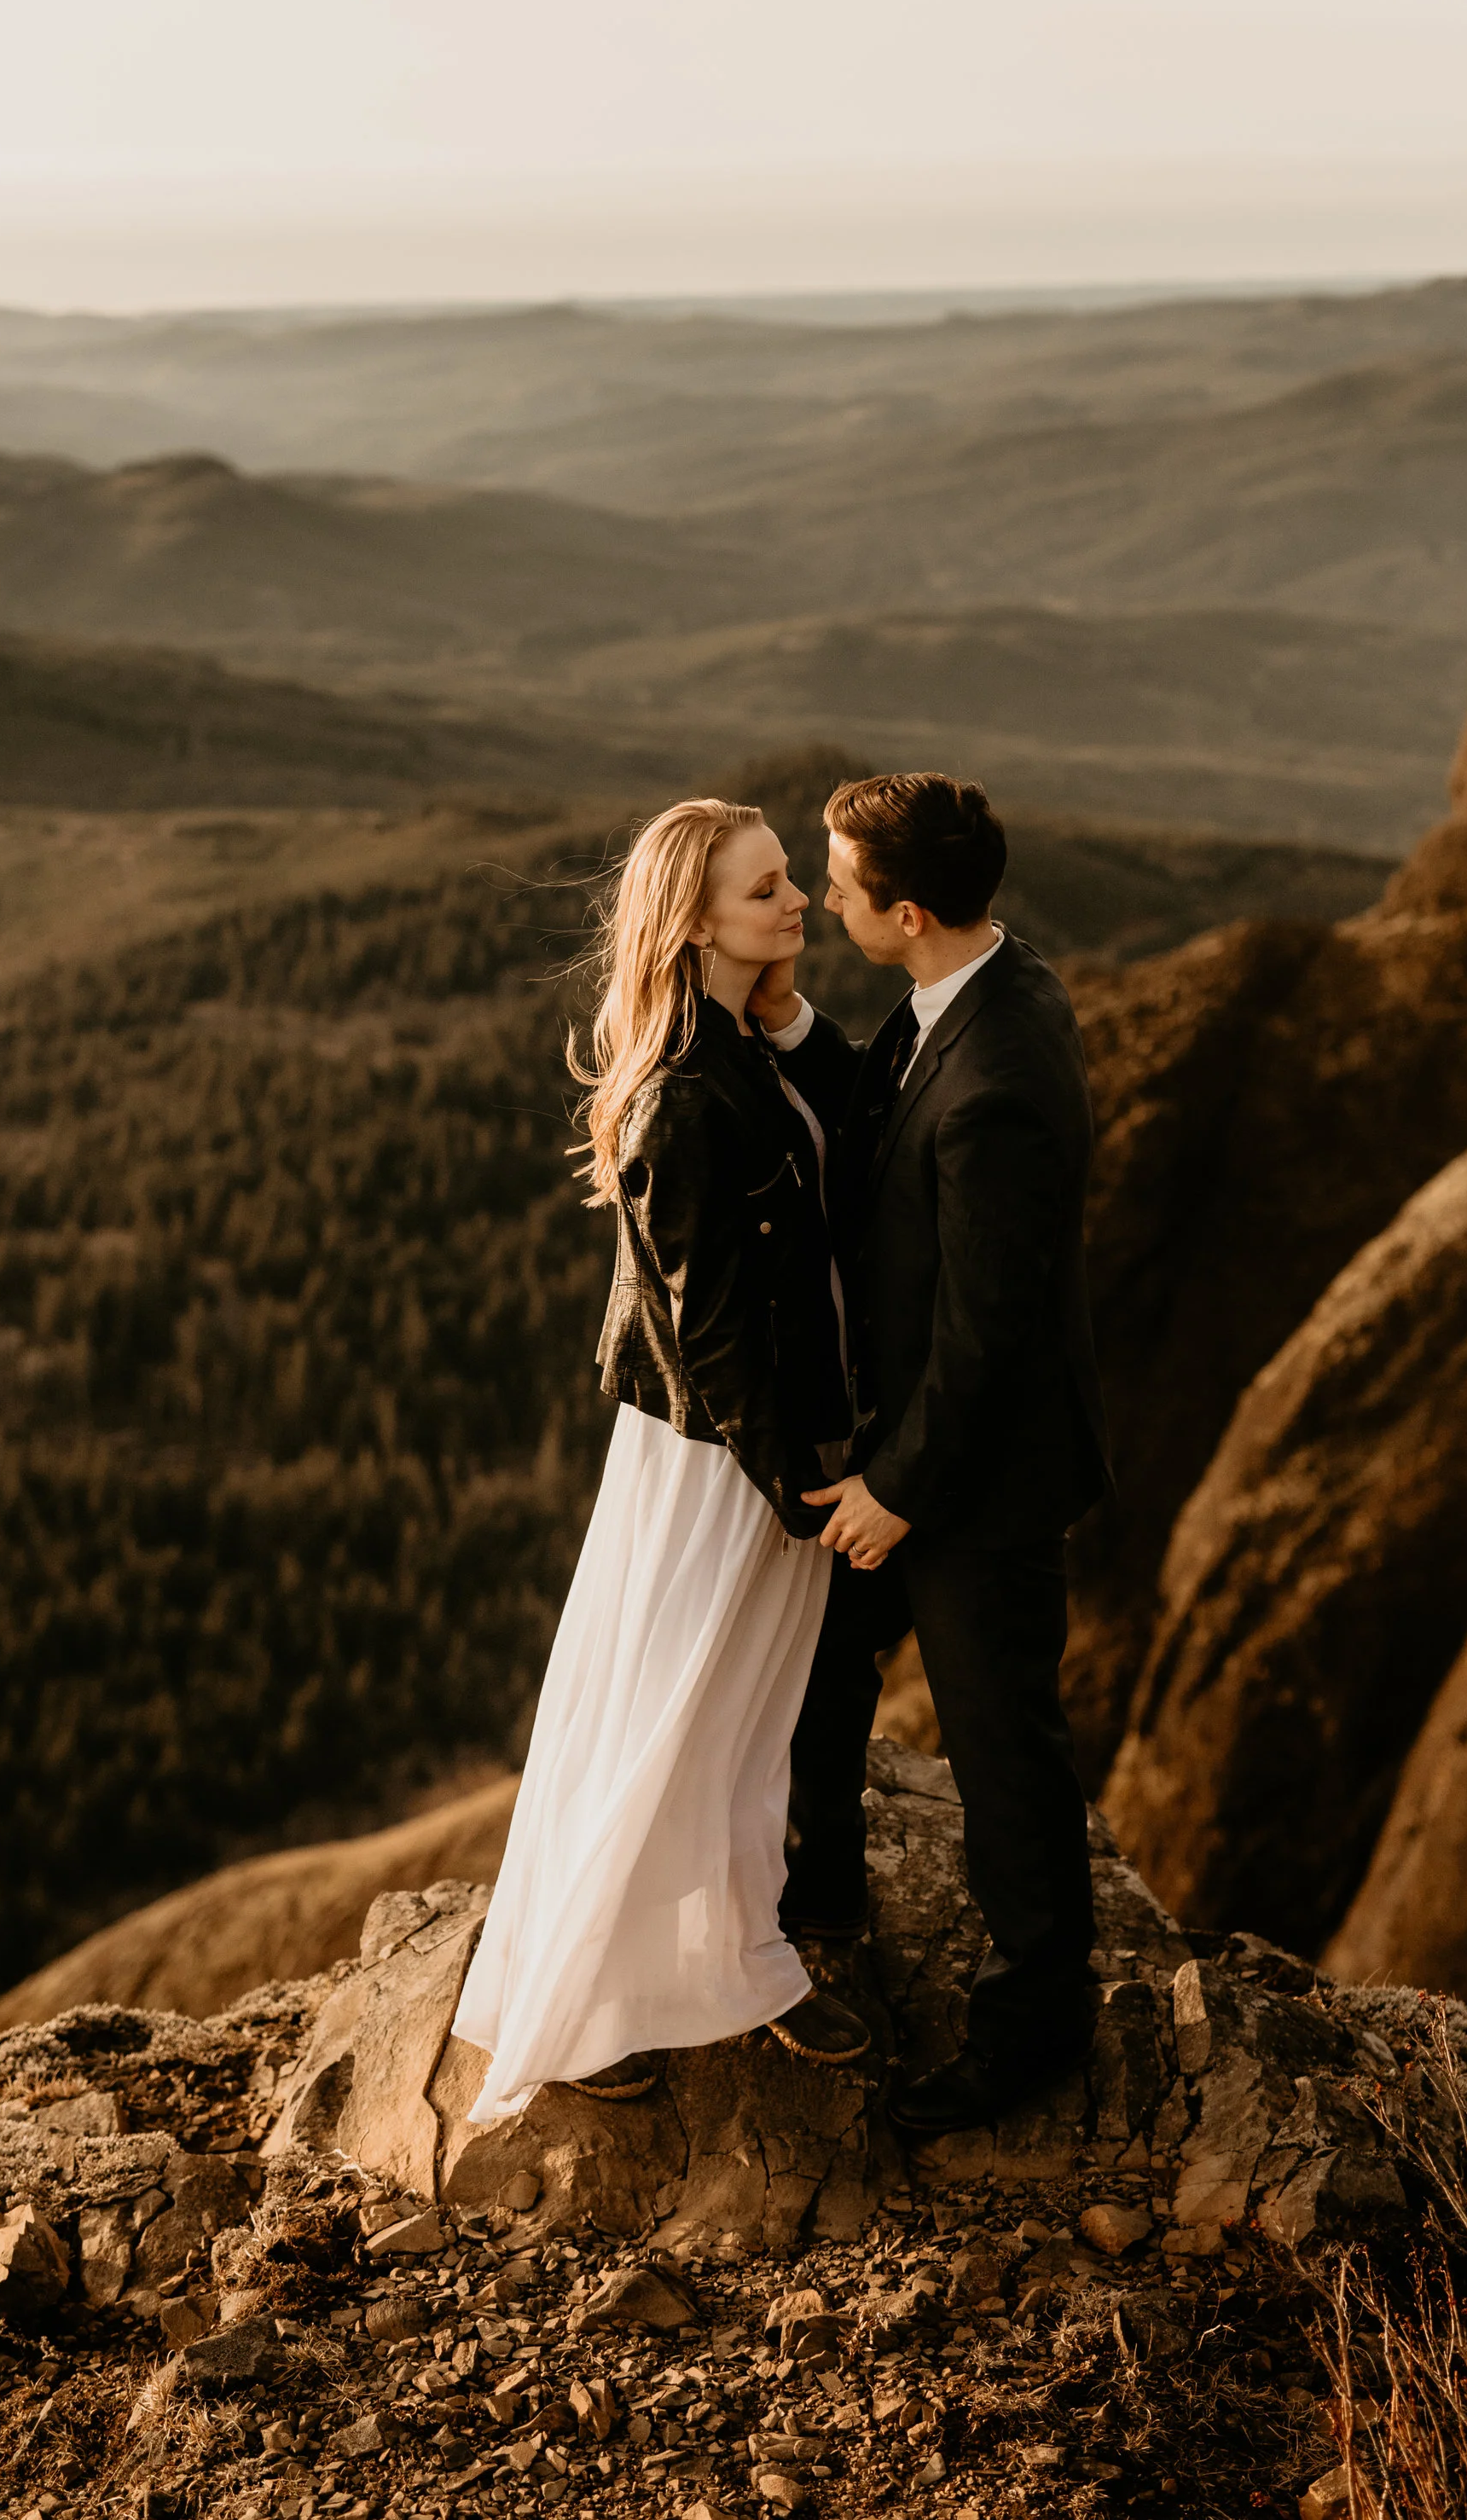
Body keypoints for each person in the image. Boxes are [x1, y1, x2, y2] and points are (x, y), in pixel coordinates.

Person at [453, 797, 873, 2117]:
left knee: (734, 1715)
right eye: (765, 890)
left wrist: (791, 1005)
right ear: (694, 918)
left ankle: (715, 1962)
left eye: (793, 879)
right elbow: (709, 1328)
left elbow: (848, 1122)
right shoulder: (685, 1090)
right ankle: (596, 2000)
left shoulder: (741, 1045)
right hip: (721, 1458)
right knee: (684, 1717)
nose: (797, 898)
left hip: (738, 1446)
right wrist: (795, 1477)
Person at [760, 770, 1112, 2135]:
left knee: (1001, 1744)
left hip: (979, 1475)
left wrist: (897, 1491)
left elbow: (992, 1334)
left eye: (839, 884)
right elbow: (885, 1106)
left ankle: (1033, 2028)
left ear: (905, 911)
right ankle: (823, 1894)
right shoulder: (969, 990)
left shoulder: (1003, 1081)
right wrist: (791, 1025)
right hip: (912, 1447)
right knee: (818, 1661)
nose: (821, 896)